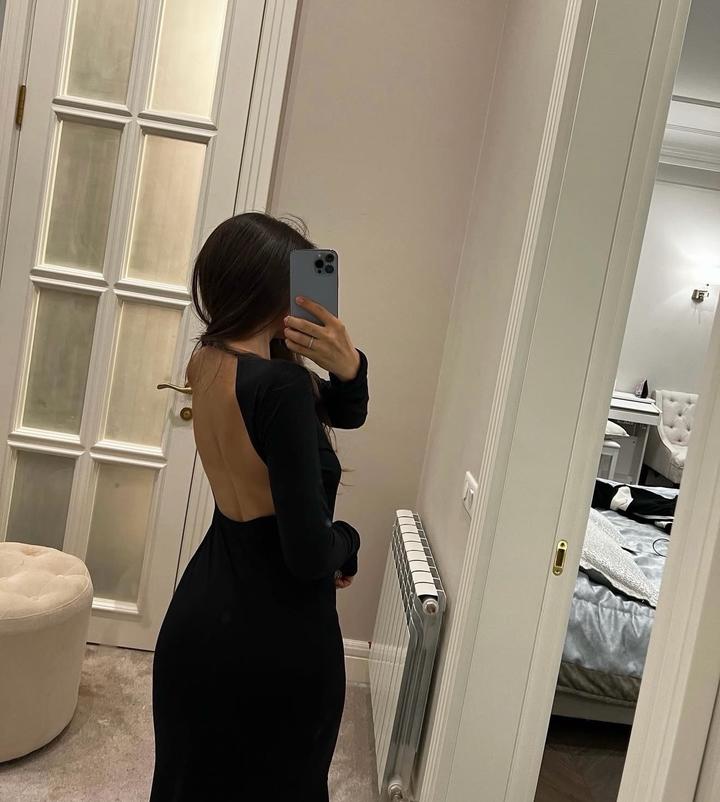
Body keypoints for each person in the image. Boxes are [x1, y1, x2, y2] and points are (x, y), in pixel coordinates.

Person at [150, 213, 368, 801]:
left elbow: (345, 412)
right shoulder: (280, 387)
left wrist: (348, 366)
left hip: (203, 613)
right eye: (297, 285)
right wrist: (348, 541)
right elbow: (308, 555)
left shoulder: (208, 360)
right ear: (271, 292)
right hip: (275, 635)